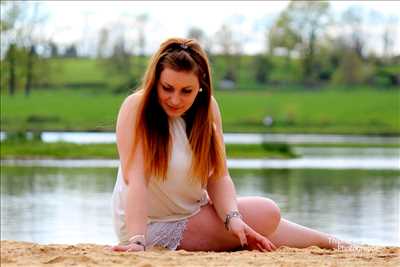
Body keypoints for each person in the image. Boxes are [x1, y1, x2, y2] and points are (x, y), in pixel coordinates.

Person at [110, 37, 349, 252]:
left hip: (195, 213)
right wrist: (137, 241)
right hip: (148, 225)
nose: (175, 99)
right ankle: (330, 242)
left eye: (186, 91)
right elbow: (136, 180)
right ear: (155, 81)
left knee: (264, 215)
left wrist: (233, 220)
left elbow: (219, 178)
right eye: (167, 88)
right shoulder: (136, 107)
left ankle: (331, 242)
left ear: (201, 87)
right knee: (265, 217)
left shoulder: (208, 109)